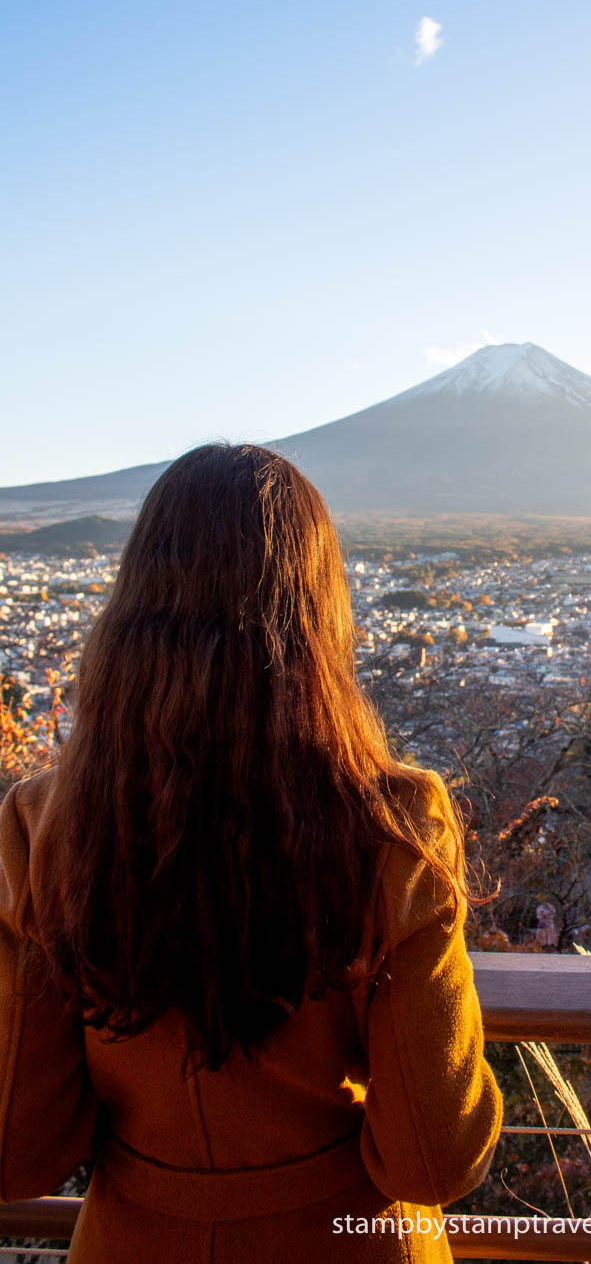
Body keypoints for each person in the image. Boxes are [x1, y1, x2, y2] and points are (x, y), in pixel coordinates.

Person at [0, 444, 502, 1262]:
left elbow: (19, 1151)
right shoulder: (393, 823)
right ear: (318, 610)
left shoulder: (42, 826)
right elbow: (434, 1156)